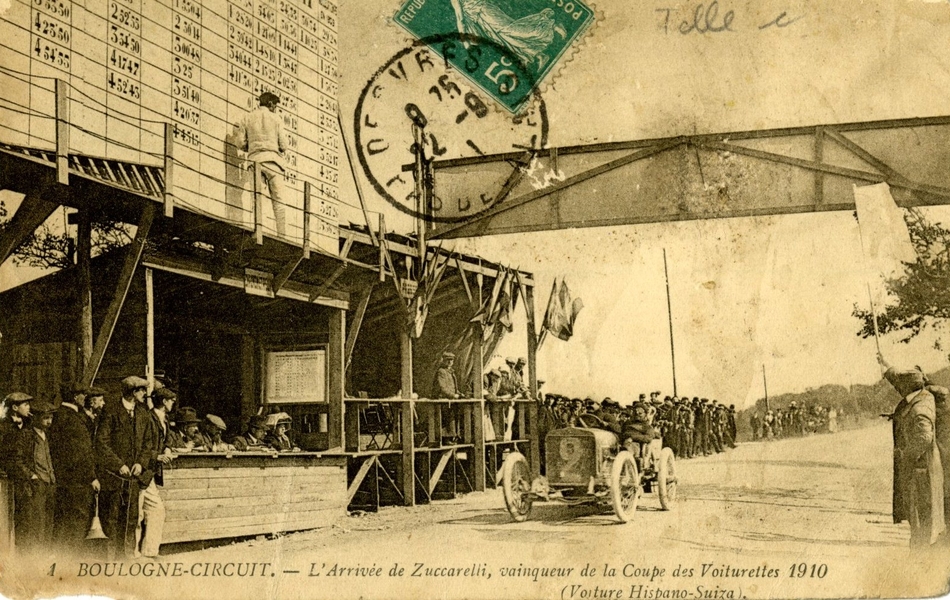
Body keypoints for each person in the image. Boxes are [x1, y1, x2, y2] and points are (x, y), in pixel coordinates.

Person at [878, 354, 945, 548]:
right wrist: (886, 364)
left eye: (901, 384)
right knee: (919, 517)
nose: (897, 387)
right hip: (921, 469)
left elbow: (924, 437)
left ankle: (918, 559)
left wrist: (905, 454)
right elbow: (898, 382)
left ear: (907, 387)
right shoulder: (920, 396)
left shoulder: (920, 406)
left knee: (920, 516)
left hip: (920, 470)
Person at [95, 376, 158, 558]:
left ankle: (127, 556)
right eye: (141, 391)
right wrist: (118, 464)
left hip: (133, 477)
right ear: (132, 392)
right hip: (114, 476)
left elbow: (148, 444)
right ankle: (110, 559)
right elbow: (102, 443)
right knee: (112, 518)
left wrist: (140, 463)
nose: (144, 394)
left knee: (131, 518)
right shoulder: (111, 412)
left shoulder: (143, 413)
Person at [49, 385, 100, 555]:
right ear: (75, 397)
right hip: (78, 480)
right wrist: (92, 476)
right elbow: (82, 452)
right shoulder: (74, 419)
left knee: (63, 521)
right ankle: (73, 558)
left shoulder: (57, 416)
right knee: (78, 520)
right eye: (83, 394)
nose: (85, 397)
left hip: (62, 479)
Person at [237, 91, 288, 237]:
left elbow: (240, 143)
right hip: (274, 163)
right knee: (279, 202)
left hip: (256, 161)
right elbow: (284, 146)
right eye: (275, 105)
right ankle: (282, 235)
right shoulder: (276, 119)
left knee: (258, 198)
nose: (275, 108)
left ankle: (260, 231)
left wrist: (252, 147)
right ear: (271, 104)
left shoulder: (247, 117)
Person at [10, 399, 57, 554]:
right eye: (45, 418)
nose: (49, 421)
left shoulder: (46, 435)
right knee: (35, 522)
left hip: (49, 484)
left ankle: (44, 554)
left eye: (50, 418)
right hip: (35, 485)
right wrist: (31, 476)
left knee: (48, 522)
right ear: (36, 418)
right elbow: (17, 459)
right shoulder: (26, 435)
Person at [136, 387, 176, 559]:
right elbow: (139, 446)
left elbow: (169, 438)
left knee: (155, 511)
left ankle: (149, 552)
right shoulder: (147, 418)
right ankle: (134, 553)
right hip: (140, 471)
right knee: (136, 514)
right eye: (171, 400)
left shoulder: (164, 419)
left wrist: (166, 448)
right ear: (165, 402)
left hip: (150, 473)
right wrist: (157, 456)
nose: (173, 403)